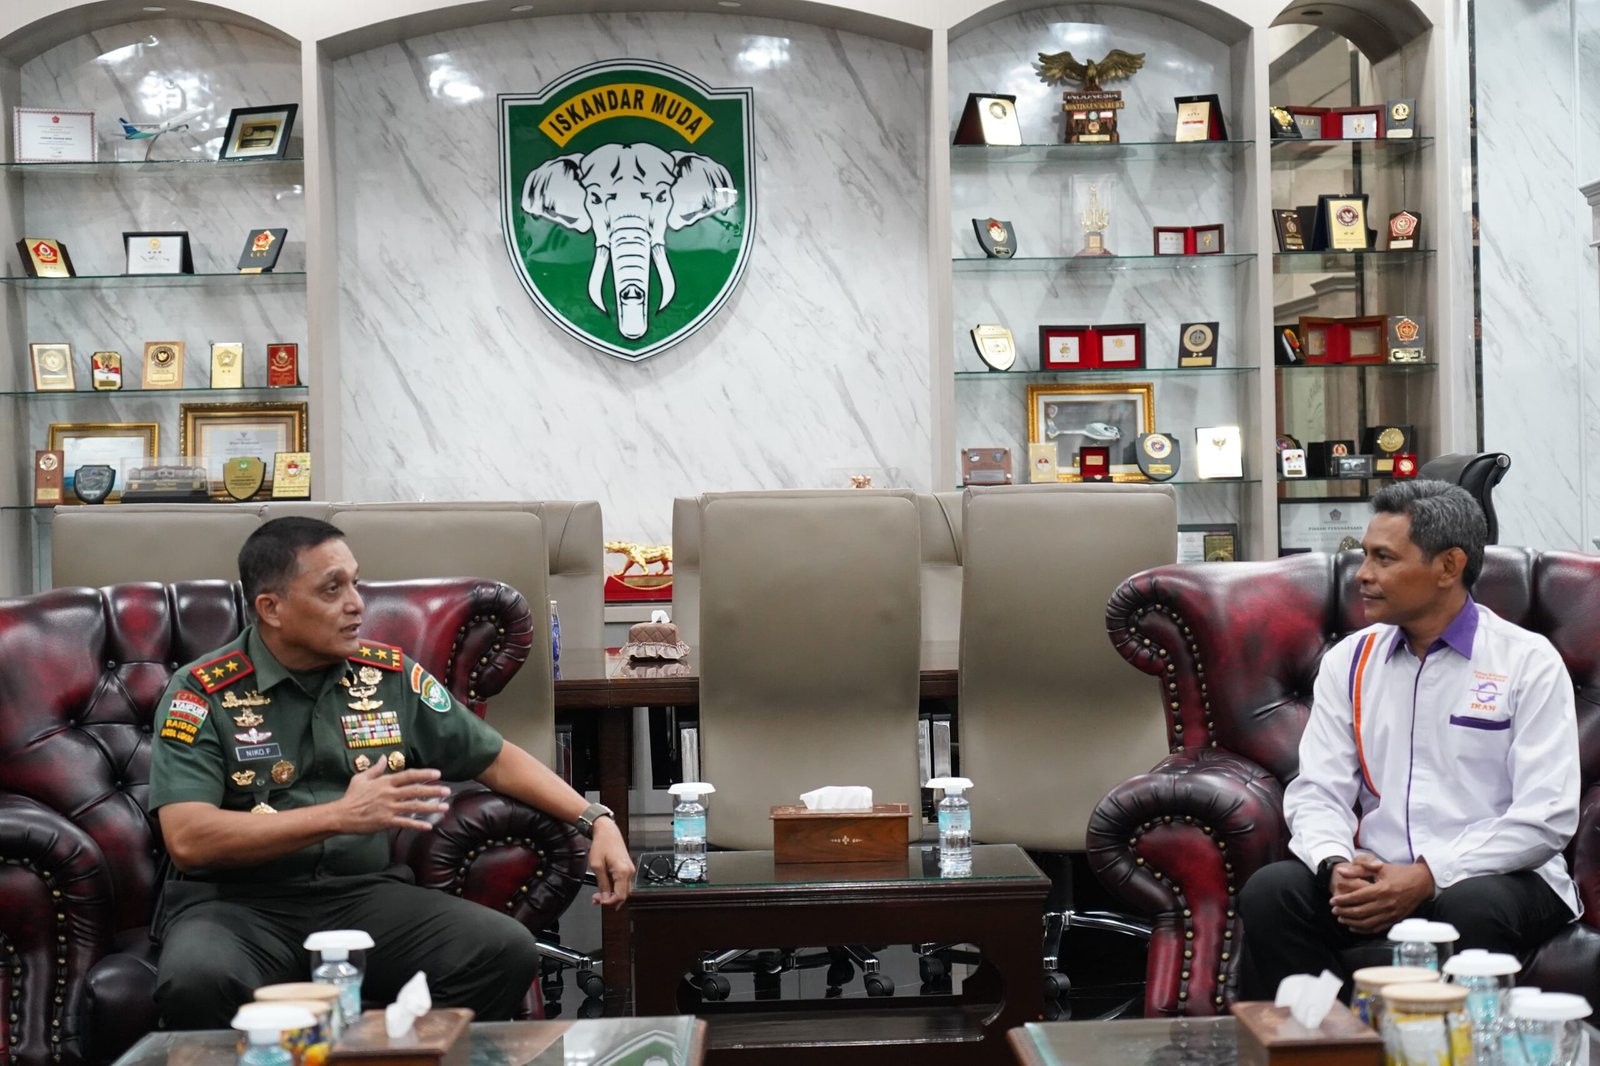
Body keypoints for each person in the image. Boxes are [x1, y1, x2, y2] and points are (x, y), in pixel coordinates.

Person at [149, 516, 635, 1028]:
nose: (356, 603)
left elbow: (493, 757)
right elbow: (188, 838)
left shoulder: (388, 677)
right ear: (271, 608)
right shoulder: (202, 691)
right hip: (237, 907)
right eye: (332, 589)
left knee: (503, 950)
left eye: (355, 583)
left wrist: (595, 820)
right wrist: (338, 816)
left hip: (361, 896)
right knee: (196, 979)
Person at [1239, 480, 1578, 999]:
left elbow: (1546, 816)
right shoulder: (1350, 660)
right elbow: (1318, 791)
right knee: (1272, 893)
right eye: (1364, 555)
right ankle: (1334, 1035)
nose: (1363, 574)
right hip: (1379, 872)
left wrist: (1428, 875)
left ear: (1448, 566)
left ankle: (1447, 1040)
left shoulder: (1527, 662)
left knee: (1471, 906)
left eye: (1384, 558)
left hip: (1502, 876)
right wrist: (1335, 864)